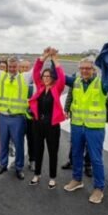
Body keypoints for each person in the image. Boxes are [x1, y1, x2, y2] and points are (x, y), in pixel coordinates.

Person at [63, 56, 108, 204]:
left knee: (96, 158)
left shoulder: (102, 83)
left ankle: (99, 188)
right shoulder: (76, 81)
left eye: (88, 68)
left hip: (94, 127)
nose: (85, 71)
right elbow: (59, 76)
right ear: (79, 69)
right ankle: (77, 179)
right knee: (76, 154)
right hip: (77, 124)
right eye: (82, 68)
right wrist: (53, 59)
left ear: (93, 69)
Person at [0, 47, 33, 180]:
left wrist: (45, 56)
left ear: (18, 67)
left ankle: (19, 168)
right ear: (7, 67)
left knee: (19, 144)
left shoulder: (24, 77)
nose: (12, 69)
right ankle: (3, 164)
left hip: (18, 118)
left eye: (14, 66)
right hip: (2, 117)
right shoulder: (1, 76)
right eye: (10, 66)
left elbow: (36, 69)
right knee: (3, 142)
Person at [28, 48, 66, 189]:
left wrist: (54, 58)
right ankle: (37, 175)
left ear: (52, 78)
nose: (45, 78)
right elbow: (36, 71)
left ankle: (52, 177)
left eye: (48, 76)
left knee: (52, 151)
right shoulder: (39, 87)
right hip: (37, 124)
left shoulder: (57, 88)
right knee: (38, 150)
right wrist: (43, 56)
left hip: (52, 125)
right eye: (44, 76)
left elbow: (61, 76)